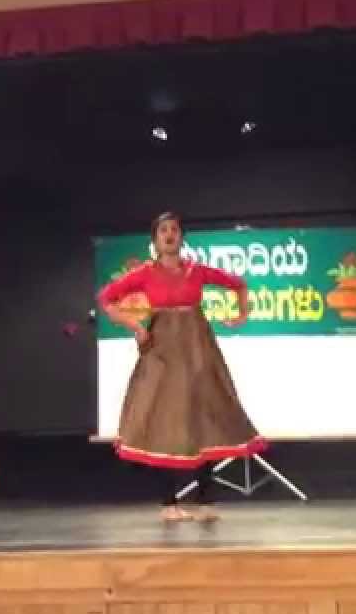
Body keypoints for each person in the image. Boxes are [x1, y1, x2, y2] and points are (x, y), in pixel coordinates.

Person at [98, 212, 266, 523]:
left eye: (175, 230)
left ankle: (205, 500)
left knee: (202, 417)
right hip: (163, 348)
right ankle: (168, 503)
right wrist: (136, 326)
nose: (170, 235)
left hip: (197, 347)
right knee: (165, 419)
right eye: (163, 230)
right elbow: (106, 298)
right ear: (155, 239)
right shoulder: (145, 274)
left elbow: (238, 284)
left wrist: (241, 315)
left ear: (182, 237)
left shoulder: (196, 271)